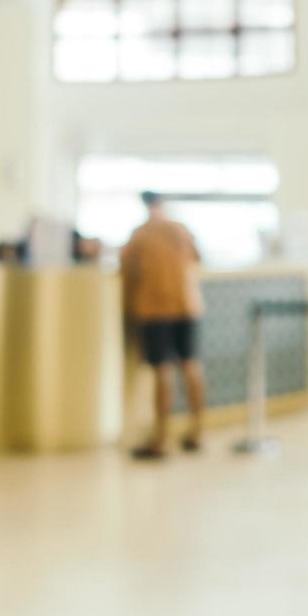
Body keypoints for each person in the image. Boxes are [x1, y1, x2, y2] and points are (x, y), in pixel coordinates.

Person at [121, 191, 206, 461]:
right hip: (187, 304)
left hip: (156, 307)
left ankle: (161, 438)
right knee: (190, 364)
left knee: (162, 370)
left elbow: (127, 268)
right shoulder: (181, 230)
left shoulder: (141, 234)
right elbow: (197, 258)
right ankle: (197, 430)